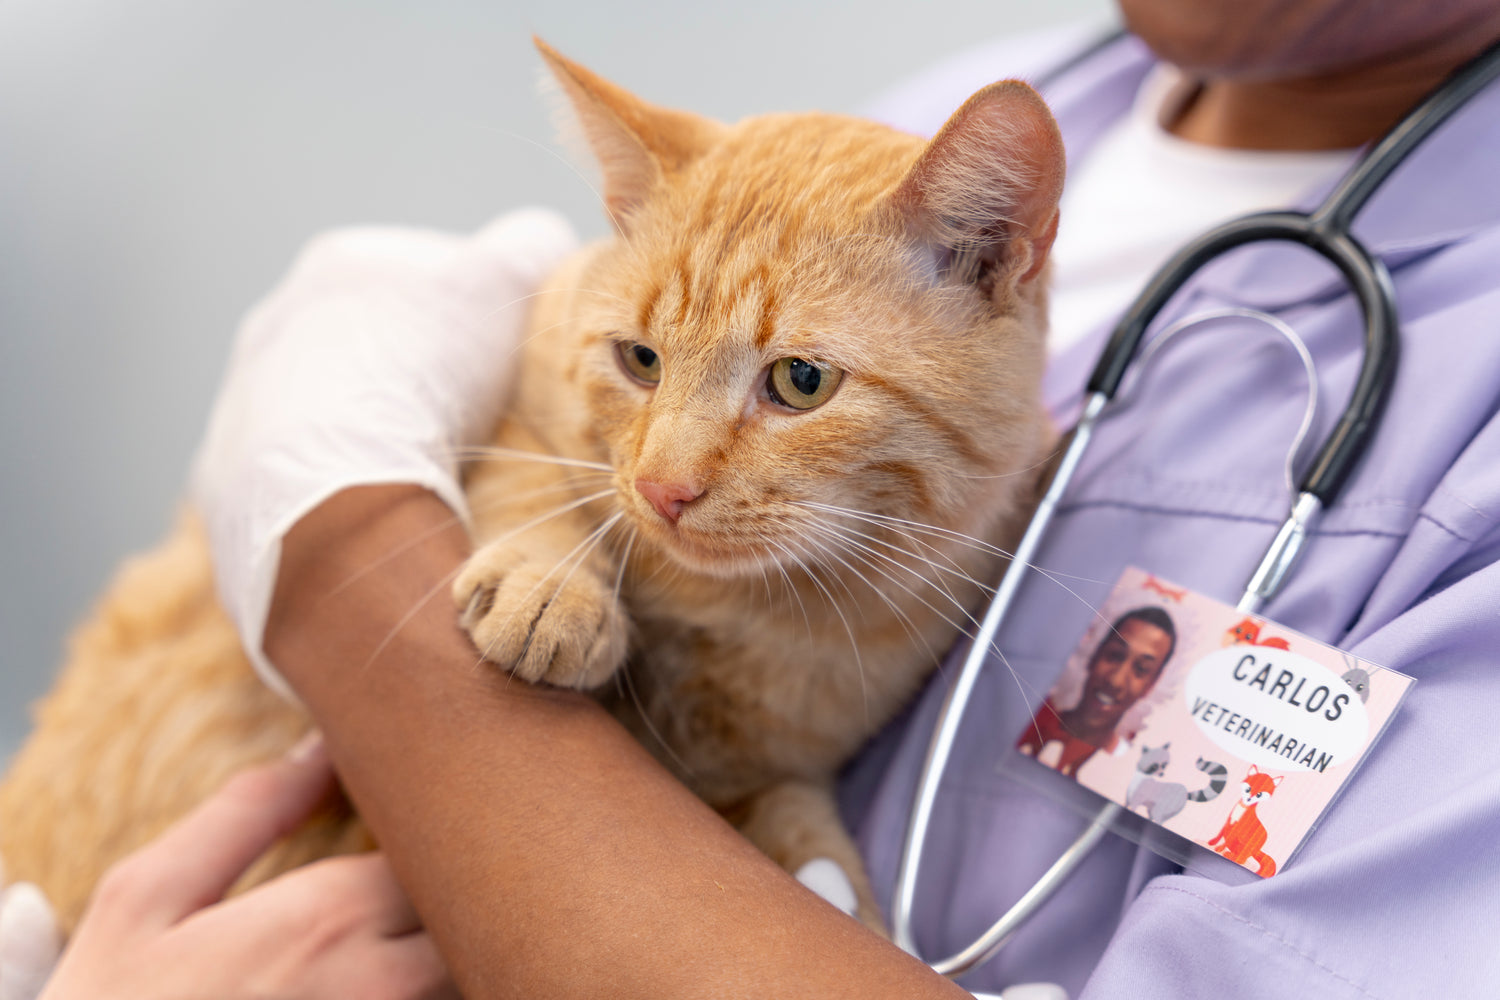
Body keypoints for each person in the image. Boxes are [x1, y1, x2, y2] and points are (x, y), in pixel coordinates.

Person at [22, 0, 1500, 996]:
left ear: (1006, 254)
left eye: (794, 388)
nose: (672, 473)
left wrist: (356, 576)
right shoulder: (961, 118)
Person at [1016, 606, 1177, 776]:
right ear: (1095, 655)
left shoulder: (1123, 773)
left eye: (1141, 668)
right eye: (1115, 655)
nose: (1116, 681)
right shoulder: (1028, 718)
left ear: (1151, 684)